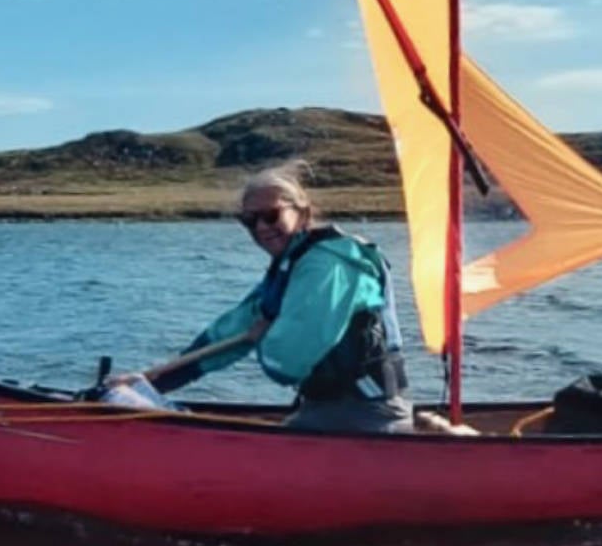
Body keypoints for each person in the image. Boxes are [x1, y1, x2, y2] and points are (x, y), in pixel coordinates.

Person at [152, 162, 415, 434]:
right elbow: (232, 331)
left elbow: (288, 361)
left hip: (366, 415)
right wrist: (155, 381)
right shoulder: (292, 265)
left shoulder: (328, 265)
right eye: (250, 220)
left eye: (271, 215)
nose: (261, 228)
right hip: (323, 409)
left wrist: (263, 337)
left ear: (302, 213)